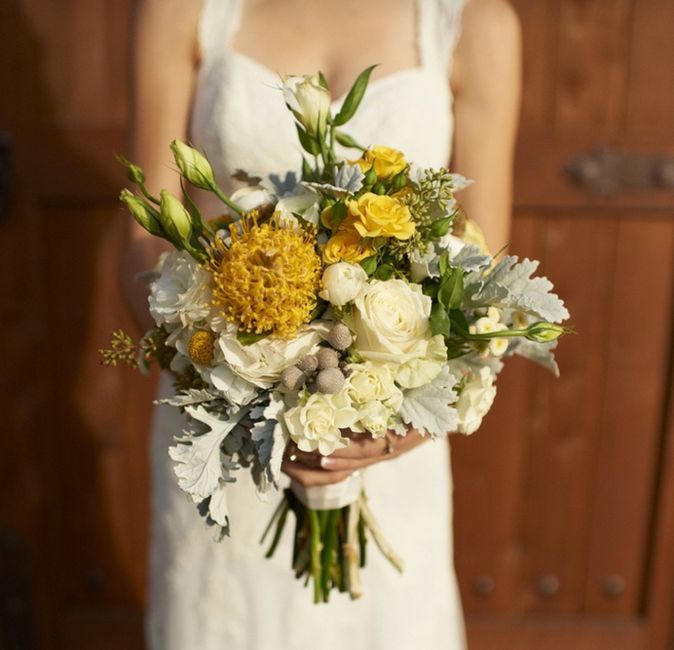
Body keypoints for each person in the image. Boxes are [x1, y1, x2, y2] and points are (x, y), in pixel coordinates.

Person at [124, 0, 520, 648]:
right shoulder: (182, 11)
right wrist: (234, 374)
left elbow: (485, 270)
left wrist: (387, 431)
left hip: (388, 441)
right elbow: (142, 246)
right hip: (222, 428)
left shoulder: (475, 23)